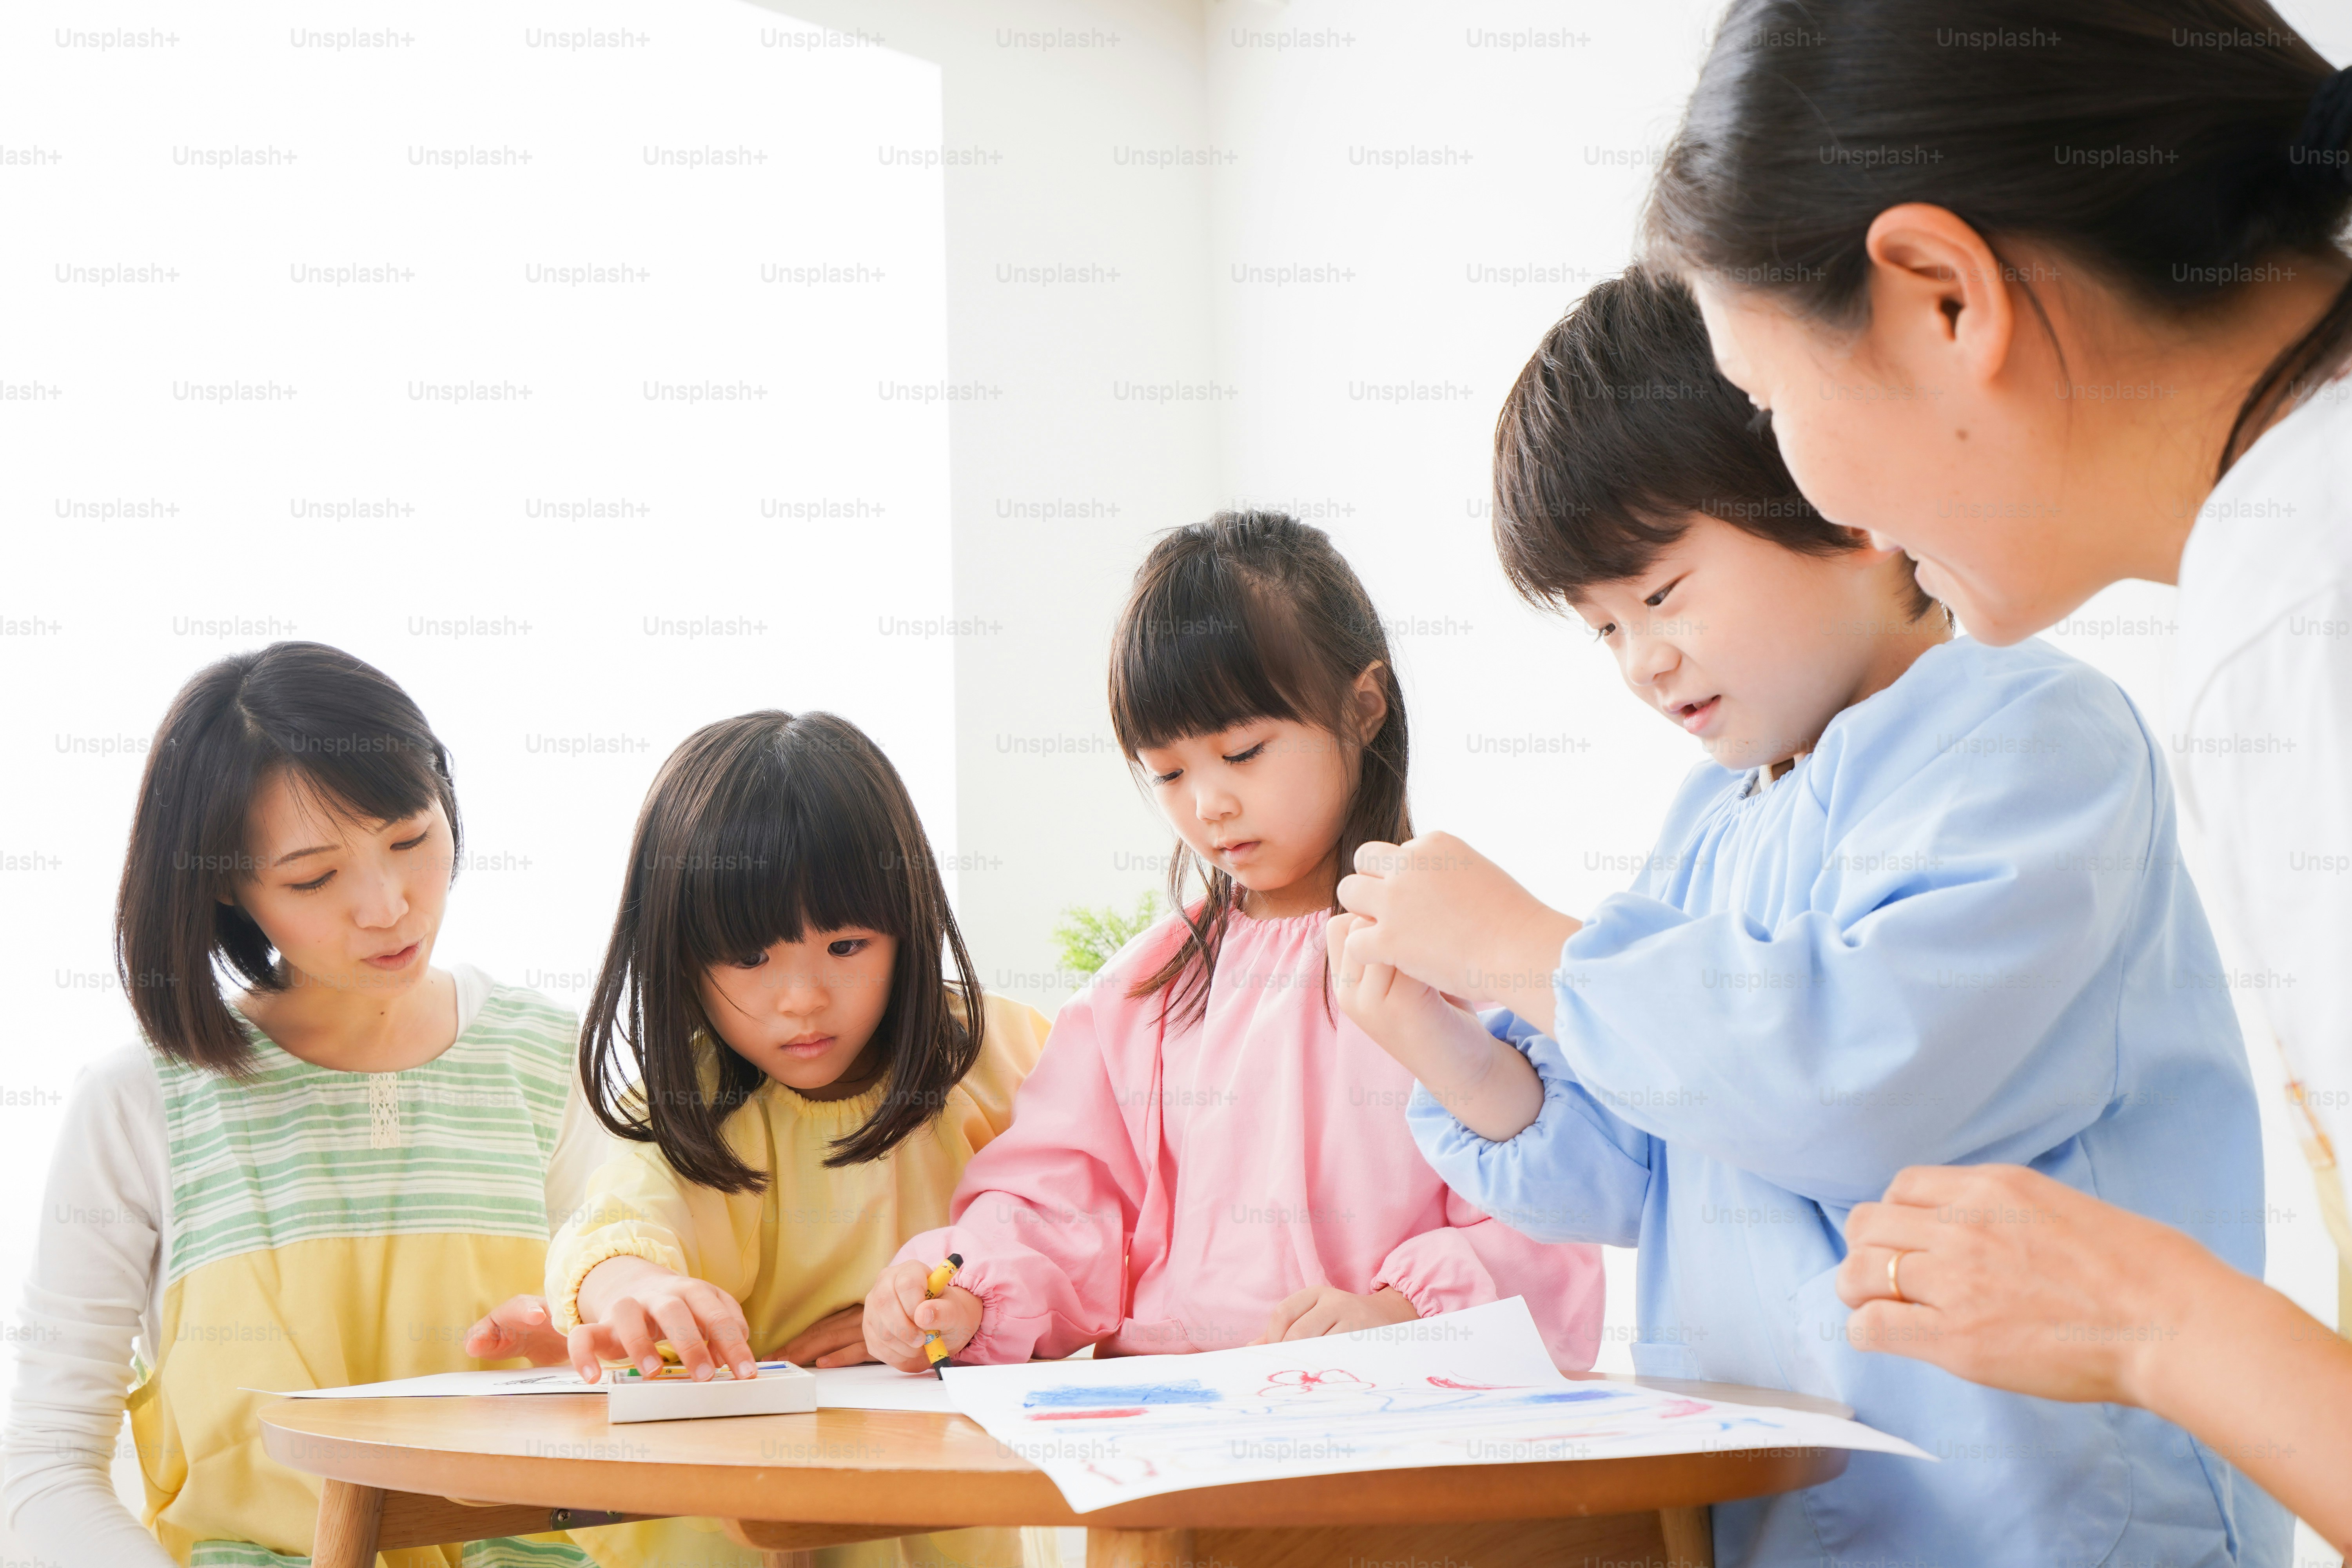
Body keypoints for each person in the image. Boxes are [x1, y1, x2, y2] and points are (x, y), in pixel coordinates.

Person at [1327, 269, 2288, 1565]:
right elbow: (1641, 1168)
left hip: (2048, 1522)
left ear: (1849, 509)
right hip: (1791, 1517)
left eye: (1660, 595)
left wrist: (1518, 946)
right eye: (1601, 629)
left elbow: (1850, 1085)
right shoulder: (1713, 820)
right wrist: (1448, 1043)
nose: (1642, 662)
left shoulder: (2033, 736)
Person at [1637, 0, 2352, 1544]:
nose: (1832, 505)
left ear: (1944, 297)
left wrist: (2152, 1322)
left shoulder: (2305, 620)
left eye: (1770, 407)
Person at [860, 512, 1606, 1374]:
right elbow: (1060, 1202)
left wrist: (1401, 1312)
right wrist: (963, 1293)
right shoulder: (1135, 995)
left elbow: (1544, 1204)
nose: (1206, 803)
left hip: (1404, 1431)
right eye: (1169, 771)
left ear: (1363, 707)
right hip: (1174, 1443)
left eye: (1243, 752)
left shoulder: (1460, 952)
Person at [1, 642, 606, 1567]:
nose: (387, 905)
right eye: (313, 877)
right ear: (226, 887)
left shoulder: (557, 1062)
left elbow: (653, 1388)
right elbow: (44, 1463)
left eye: (410, 836)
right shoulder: (138, 1103)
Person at [541, 710, 1054, 1568]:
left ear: (910, 925)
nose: (804, 998)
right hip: (721, 1532)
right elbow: (614, 1226)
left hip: (946, 1521)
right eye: (750, 959)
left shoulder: (999, 1057)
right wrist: (635, 1284)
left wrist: (951, 1314)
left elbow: (1088, 1232)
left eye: (847, 943)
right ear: (680, 958)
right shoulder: (686, 1103)